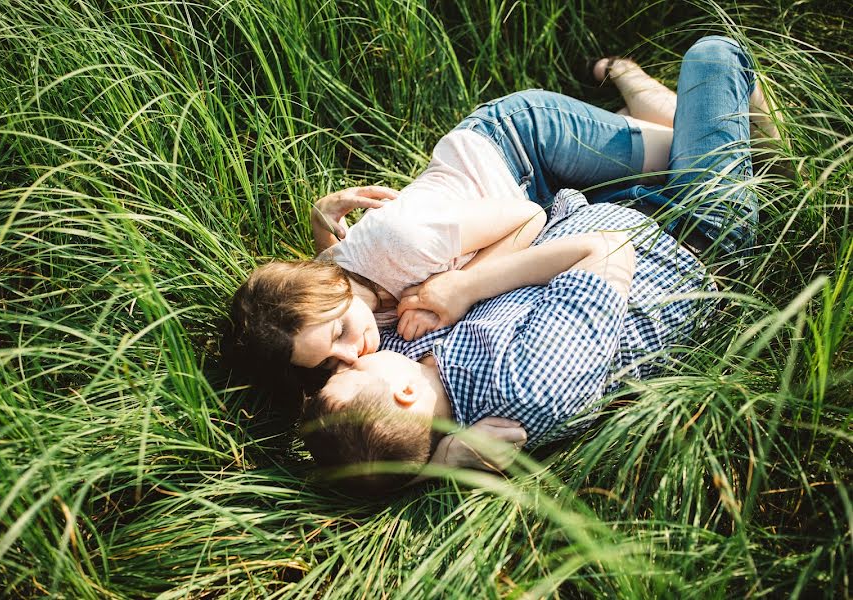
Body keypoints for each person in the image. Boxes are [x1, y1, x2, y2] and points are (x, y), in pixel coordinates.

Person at [300, 36, 772, 494]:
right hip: (689, 229)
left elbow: (370, 448)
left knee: (659, 127)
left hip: (588, 207)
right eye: (349, 375)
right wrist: (466, 286)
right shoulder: (524, 388)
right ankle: (782, 161)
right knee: (713, 57)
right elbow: (608, 251)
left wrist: (437, 469)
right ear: (404, 395)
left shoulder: (403, 360)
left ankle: (632, 81)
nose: (346, 363)